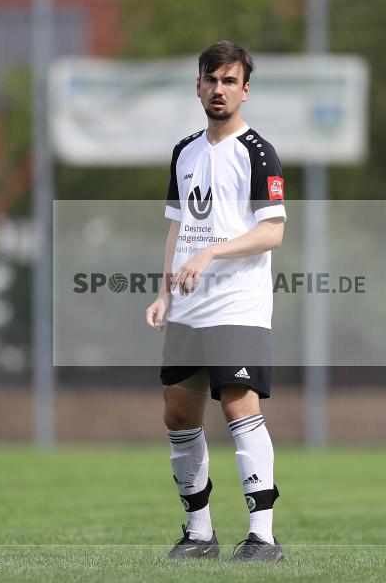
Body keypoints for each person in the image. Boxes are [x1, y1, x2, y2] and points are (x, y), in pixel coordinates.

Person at [145, 40, 287, 563]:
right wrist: (163, 292)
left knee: (237, 405)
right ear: (198, 87)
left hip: (237, 303)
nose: (219, 89)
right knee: (178, 413)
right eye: (211, 79)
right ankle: (199, 534)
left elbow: (272, 232)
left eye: (230, 81)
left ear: (245, 90)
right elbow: (177, 228)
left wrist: (211, 253)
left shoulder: (258, 152)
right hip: (188, 307)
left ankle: (263, 537)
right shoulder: (184, 151)